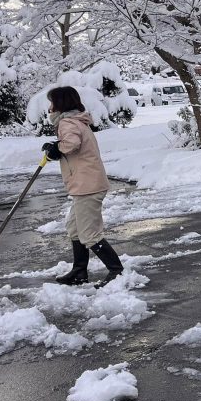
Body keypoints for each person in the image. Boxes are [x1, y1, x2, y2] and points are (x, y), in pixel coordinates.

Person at [40, 86, 124, 287]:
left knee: (89, 234)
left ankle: (116, 271)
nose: (50, 107)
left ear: (60, 104)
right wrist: (57, 148)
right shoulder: (75, 121)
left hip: (88, 185)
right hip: (85, 184)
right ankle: (79, 271)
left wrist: (57, 148)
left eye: (52, 102)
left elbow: (71, 144)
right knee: (74, 228)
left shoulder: (67, 122)